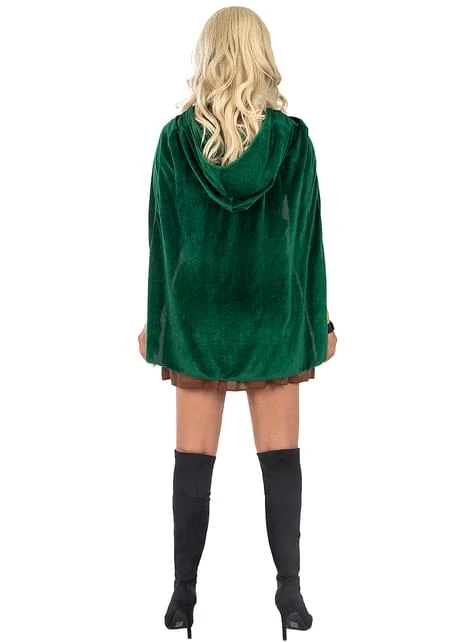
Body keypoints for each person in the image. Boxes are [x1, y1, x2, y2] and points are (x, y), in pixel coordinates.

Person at [137, 6, 337, 639]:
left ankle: (183, 598)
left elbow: (162, 239)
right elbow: (308, 241)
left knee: (193, 460)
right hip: (273, 313)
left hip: (198, 316)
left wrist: (157, 322)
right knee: (280, 459)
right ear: (261, 56)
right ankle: (290, 596)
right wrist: (319, 322)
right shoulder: (293, 140)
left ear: (209, 56)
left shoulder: (176, 140)